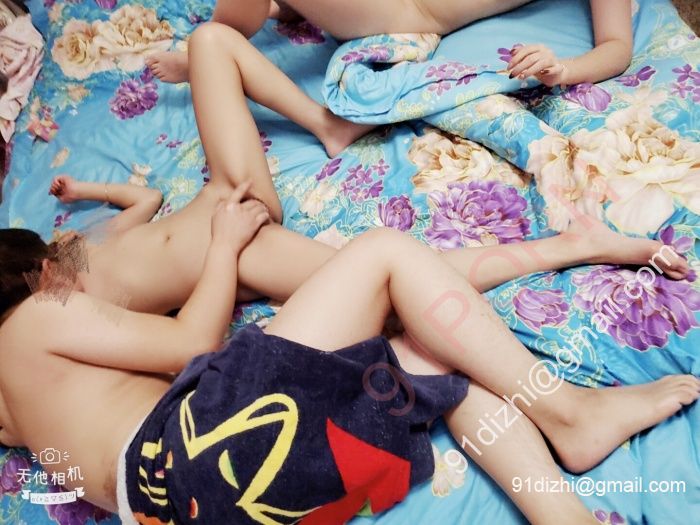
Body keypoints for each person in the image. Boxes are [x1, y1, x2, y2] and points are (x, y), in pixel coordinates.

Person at [0, 23, 692, 524]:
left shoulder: (11, 406)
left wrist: (89, 196)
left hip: (197, 503)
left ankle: (560, 510)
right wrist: (223, 248)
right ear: (36, 273)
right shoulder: (37, 313)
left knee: (429, 352)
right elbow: (189, 346)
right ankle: (568, 405)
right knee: (388, 259)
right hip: (195, 449)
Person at [147, 0, 633, 88]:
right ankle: (283, 10)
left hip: (405, 11)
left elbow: (616, 46)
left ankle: (206, 57)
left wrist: (563, 70)